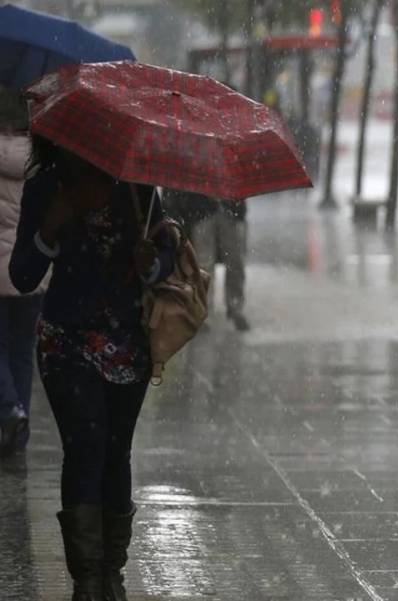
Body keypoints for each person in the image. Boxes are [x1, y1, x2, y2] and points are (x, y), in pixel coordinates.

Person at [10, 137, 176, 601]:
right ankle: (87, 579)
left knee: (116, 452)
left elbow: (166, 257)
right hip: (66, 344)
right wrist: (50, 230)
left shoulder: (138, 190)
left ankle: (111, 575)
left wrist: (151, 264)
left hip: (128, 347)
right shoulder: (47, 187)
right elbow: (22, 274)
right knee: (85, 447)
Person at [0, 95, 45, 458]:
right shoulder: (42, 158)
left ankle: (9, 409)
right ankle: (20, 425)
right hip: (29, 270)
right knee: (21, 350)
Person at [164, 189, 250, 331]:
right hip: (203, 210)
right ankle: (204, 311)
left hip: (228, 209)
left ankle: (234, 307)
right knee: (204, 264)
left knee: (234, 262)